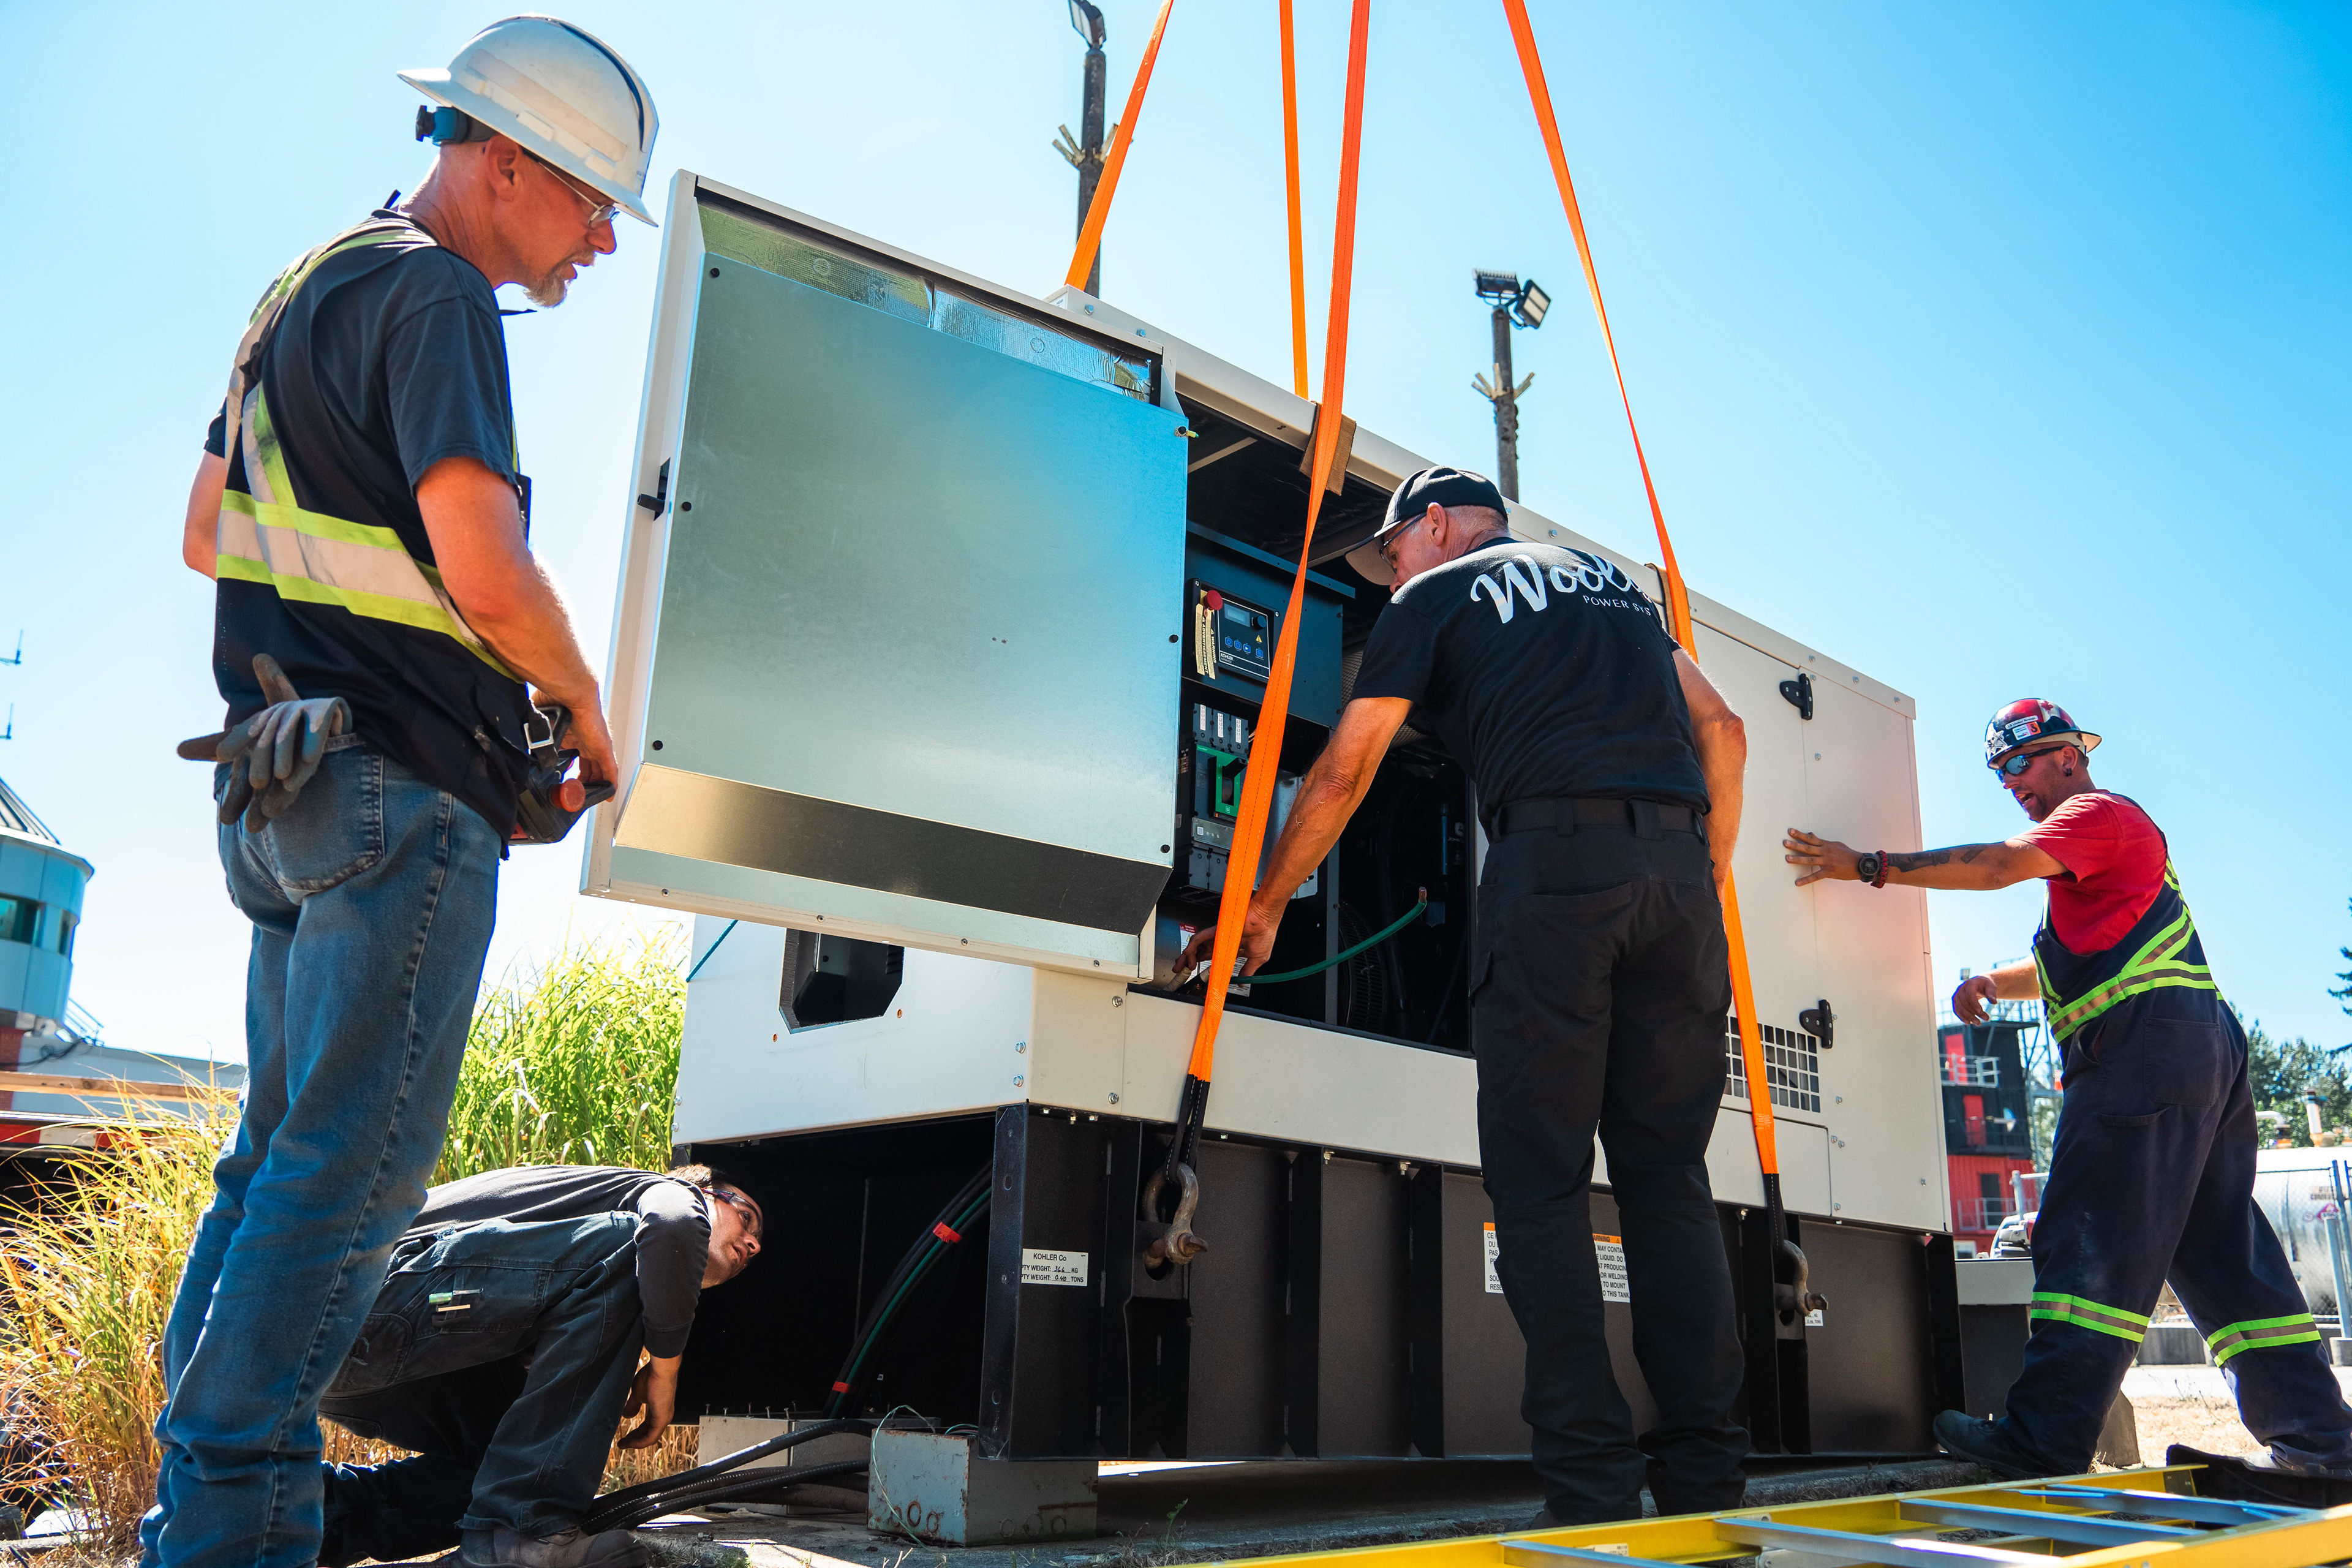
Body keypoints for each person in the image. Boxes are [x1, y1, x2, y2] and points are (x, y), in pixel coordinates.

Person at [150, 20, 660, 1568]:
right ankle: (231, 1533)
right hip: (393, 802)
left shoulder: (299, 291)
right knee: (349, 1188)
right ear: (505, 160)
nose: (598, 245)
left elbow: (207, 532)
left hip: (280, 786)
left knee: (272, 1168)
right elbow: (485, 566)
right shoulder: (438, 293)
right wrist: (580, 707)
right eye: (591, 205)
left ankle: (201, 1512)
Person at [1180, 467, 1752, 1524]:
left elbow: (1346, 771)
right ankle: (1707, 1479)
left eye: (1392, 549)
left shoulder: (1434, 596)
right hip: (1678, 887)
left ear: (1435, 526)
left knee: (1540, 1185)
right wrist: (1703, 872)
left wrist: (1264, 904)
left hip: (1556, 874)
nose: (1392, 572)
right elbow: (1724, 728)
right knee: (1669, 1177)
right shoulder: (1616, 588)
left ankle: (1592, 1485)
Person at [1785, 699, 2352, 1479]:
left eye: (2019, 762)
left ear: (2069, 756)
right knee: (2223, 1251)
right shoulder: (2100, 862)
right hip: (2194, 1052)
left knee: (2089, 1233)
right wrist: (1994, 980)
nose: (2010, 781)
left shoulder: (2095, 814)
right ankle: (2324, 1444)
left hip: (2144, 1051)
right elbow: (2066, 959)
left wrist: (1868, 865)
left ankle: (2044, 1435)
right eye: (1999, 772)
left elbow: (1995, 865)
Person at [315, 1164, 763, 1568]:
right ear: (705, 1190)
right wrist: (664, 1372)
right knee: (630, 1246)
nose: (754, 1243)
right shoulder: (664, 1191)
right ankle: (523, 1530)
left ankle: (307, 1518)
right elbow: (674, 1223)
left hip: (329, 1353)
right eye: (746, 1217)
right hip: (369, 1297)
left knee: (504, 1462)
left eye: (756, 1241)